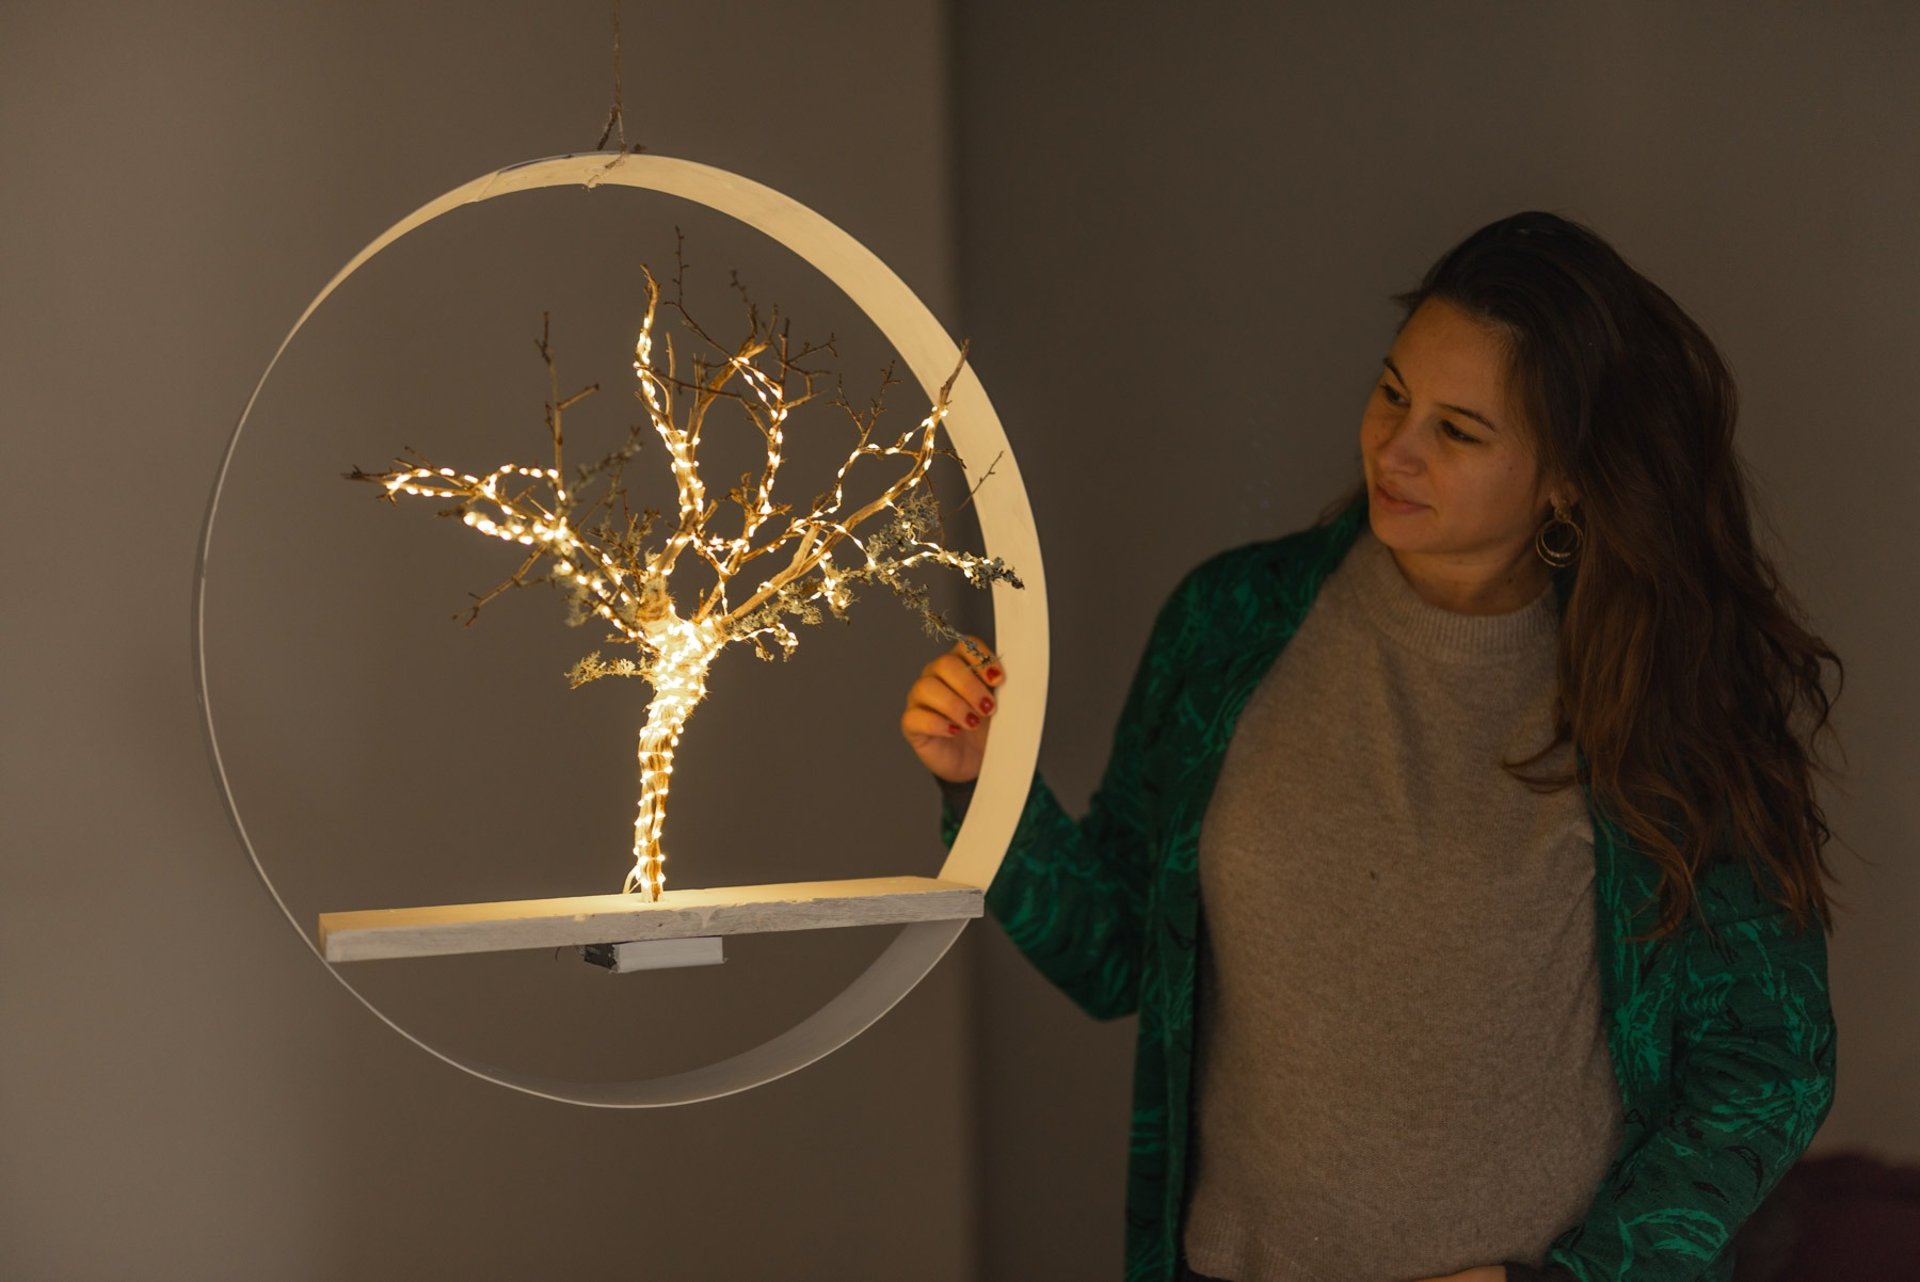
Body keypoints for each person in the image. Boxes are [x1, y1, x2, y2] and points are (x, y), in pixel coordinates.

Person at [899, 211, 1842, 1282]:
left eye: (1460, 430)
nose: (1396, 448)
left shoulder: (1660, 692)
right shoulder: (1228, 626)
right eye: (1394, 392)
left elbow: (1770, 1060)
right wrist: (989, 788)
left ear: (1567, 476)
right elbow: (1120, 954)